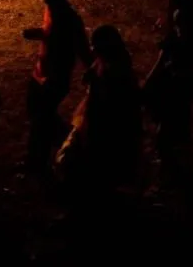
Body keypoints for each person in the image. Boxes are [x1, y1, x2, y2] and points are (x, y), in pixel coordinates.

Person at [54, 26, 142, 193]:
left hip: (108, 128)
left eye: (97, 48)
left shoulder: (118, 74)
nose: (94, 52)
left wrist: (96, 83)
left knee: (97, 168)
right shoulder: (107, 61)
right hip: (96, 122)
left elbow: (115, 106)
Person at [22, 0, 92, 172]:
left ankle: (41, 161)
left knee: (41, 121)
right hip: (39, 74)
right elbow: (50, 32)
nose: (44, 0)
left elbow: (82, 49)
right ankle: (41, 156)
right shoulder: (51, 10)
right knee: (37, 115)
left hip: (55, 79)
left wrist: (94, 72)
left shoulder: (71, 20)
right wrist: (37, 33)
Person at [144, 0, 193, 160]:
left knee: (180, 115)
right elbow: (160, 62)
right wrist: (150, 80)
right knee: (168, 116)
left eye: (182, 26)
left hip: (181, 86)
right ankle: (165, 148)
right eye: (177, 25)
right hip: (170, 85)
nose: (179, 29)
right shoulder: (173, 40)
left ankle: (174, 145)